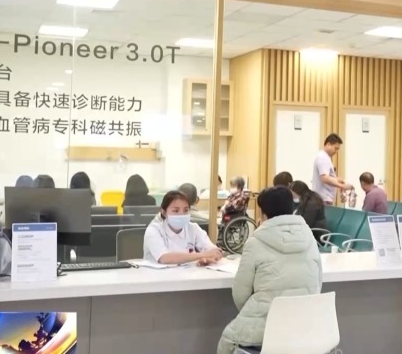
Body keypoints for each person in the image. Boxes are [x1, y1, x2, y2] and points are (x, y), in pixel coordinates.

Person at [217, 187, 322, 354]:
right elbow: (318, 282)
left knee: (228, 342)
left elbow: (240, 295)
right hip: (305, 327)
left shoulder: (255, 242)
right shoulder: (309, 237)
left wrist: (256, 311)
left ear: (263, 214)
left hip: (265, 331)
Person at [143, 190, 223, 265]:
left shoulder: (193, 228)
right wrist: (202, 255)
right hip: (156, 274)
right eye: (175, 211)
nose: (181, 214)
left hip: (188, 273)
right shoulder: (154, 230)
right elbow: (164, 258)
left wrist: (210, 258)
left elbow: (214, 250)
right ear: (164, 212)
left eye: (186, 210)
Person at [311, 133, 352, 205]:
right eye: (335, 148)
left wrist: (337, 180)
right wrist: (342, 186)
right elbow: (325, 178)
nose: (336, 152)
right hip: (323, 199)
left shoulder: (325, 157)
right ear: (328, 144)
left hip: (323, 198)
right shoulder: (323, 158)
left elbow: (327, 177)